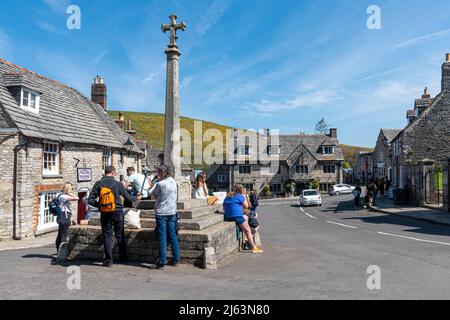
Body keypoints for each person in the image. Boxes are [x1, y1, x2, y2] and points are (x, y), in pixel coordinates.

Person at [88, 166, 142, 267]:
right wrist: (137, 197)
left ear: (105, 173)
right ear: (113, 172)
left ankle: (108, 261)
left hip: (105, 213)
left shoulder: (98, 184)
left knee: (107, 236)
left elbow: (90, 200)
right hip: (117, 212)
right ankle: (123, 257)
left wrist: (100, 206)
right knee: (119, 235)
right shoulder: (117, 184)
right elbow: (129, 198)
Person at [151, 166, 180, 270]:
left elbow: (153, 194)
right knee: (172, 235)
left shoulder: (160, 184)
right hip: (172, 212)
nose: (158, 173)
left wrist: (156, 183)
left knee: (162, 237)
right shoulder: (174, 182)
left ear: (163, 173)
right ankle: (176, 259)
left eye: (159, 172)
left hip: (162, 212)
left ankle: (161, 262)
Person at [223, 185, 263, 253]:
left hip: (227, 217)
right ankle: (254, 247)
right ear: (240, 190)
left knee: (245, 217)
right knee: (248, 230)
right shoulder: (240, 196)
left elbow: (224, 207)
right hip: (237, 216)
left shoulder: (227, 196)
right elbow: (247, 206)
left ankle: (245, 236)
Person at [52, 182, 79, 265]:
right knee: (64, 236)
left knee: (60, 235)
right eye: (71, 188)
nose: (72, 189)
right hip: (64, 217)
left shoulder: (58, 194)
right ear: (68, 188)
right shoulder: (64, 196)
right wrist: (70, 193)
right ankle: (62, 257)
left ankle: (58, 253)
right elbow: (77, 198)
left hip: (60, 217)